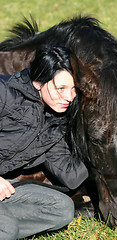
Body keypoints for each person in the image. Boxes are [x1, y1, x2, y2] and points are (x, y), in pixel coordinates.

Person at [0, 45, 89, 240]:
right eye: (61, 88)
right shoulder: (4, 93)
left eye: (74, 89)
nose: (69, 97)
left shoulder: (55, 119)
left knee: (62, 208)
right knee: (6, 228)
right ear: (39, 81)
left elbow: (69, 172)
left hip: (5, 187)